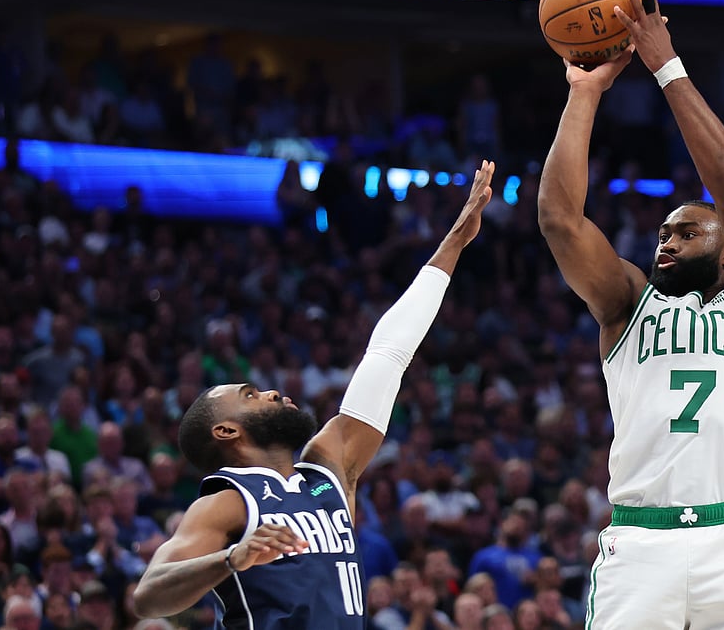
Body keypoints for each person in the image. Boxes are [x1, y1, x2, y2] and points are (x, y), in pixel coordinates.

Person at [537, 0, 724, 630]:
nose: (667, 242)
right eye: (663, 233)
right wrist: (584, 94)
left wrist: (666, 66)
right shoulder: (627, 303)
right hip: (640, 537)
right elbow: (560, 220)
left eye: (687, 231)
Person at [133, 161, 495, 629]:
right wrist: (230, 559)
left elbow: (387, 353)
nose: (272, 392)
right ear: (226, 430)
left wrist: (456, 241)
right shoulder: (228, 502)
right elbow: (147, 597)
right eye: (251, 394)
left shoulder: (329, 464)